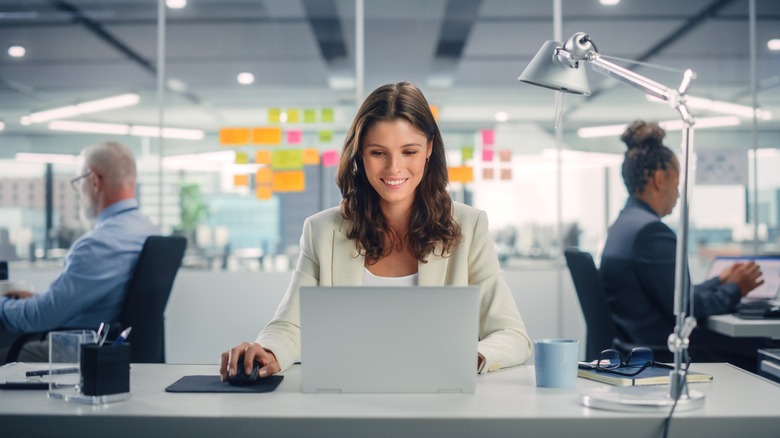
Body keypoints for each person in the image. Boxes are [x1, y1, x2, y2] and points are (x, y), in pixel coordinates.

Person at [221, 82, 531, 381]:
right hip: (347, 395)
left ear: (429, 149)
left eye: (408, 151)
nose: (394, 168)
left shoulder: (469, 226)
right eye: (378, 153)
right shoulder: (322, 231)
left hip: (441, 396)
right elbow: (291, 325)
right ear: (359, 154)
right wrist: (268, 351)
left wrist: (471, 357)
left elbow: (512, 335)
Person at [600, 120, 769, 370]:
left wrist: (719, 281)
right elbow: (685, 309)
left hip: (635, 347)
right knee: (762, 349)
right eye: (676, 183)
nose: (678, 194)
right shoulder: (650, 232)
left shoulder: (625, 225)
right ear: (659, 179)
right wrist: (735, 289)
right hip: (663, 353)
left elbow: (673, 294)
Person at [0, 141, 159, 362]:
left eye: (78, 182)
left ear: (93, 181)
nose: (78, 192)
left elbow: (40, 317)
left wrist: (2, 305)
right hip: (113, 348)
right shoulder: (147, 229)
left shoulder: (99, 244)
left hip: (82, 350)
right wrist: (40, 299)